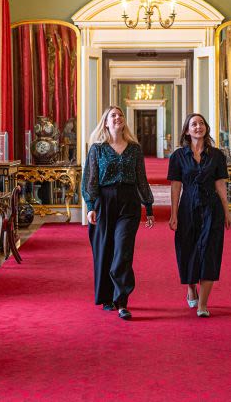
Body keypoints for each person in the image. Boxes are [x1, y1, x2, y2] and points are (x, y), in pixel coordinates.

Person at [82, 106, 155, 320]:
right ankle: (107, 296)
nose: (117, 118)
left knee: (123, 250)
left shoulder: (134, 149)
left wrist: (148, 207)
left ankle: (122, 300)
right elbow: (90, 180)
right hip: (104, 202)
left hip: (129, 202)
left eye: (120, 115)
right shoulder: (97, 149)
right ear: (105, 122)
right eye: (112, 115)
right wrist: (91, 206)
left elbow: (141, 179)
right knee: (105, 250)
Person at [167, 113, 231, 317]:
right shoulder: (178, 157)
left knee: (209, 252)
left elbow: (220, 184)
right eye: (193, 124)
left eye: (201, 123)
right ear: (187, 130)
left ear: (206, 128)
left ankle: (203, 304)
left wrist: (227, 212)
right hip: (187, 209)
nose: (198, 127)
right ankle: (191, 287)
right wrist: (174, 214)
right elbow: (176, 186)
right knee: (187, 250)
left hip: (212, 209)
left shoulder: (217, 156)